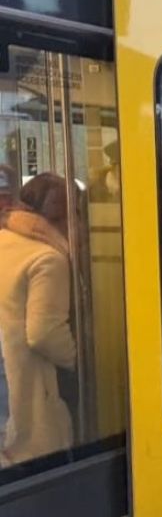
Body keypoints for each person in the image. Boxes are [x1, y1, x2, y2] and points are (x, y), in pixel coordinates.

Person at [0, 173, 77, 466]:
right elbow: (43, 333)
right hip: (32, 394)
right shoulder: (48, 258)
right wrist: (77, 356)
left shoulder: (6, 239)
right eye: (68, 215)